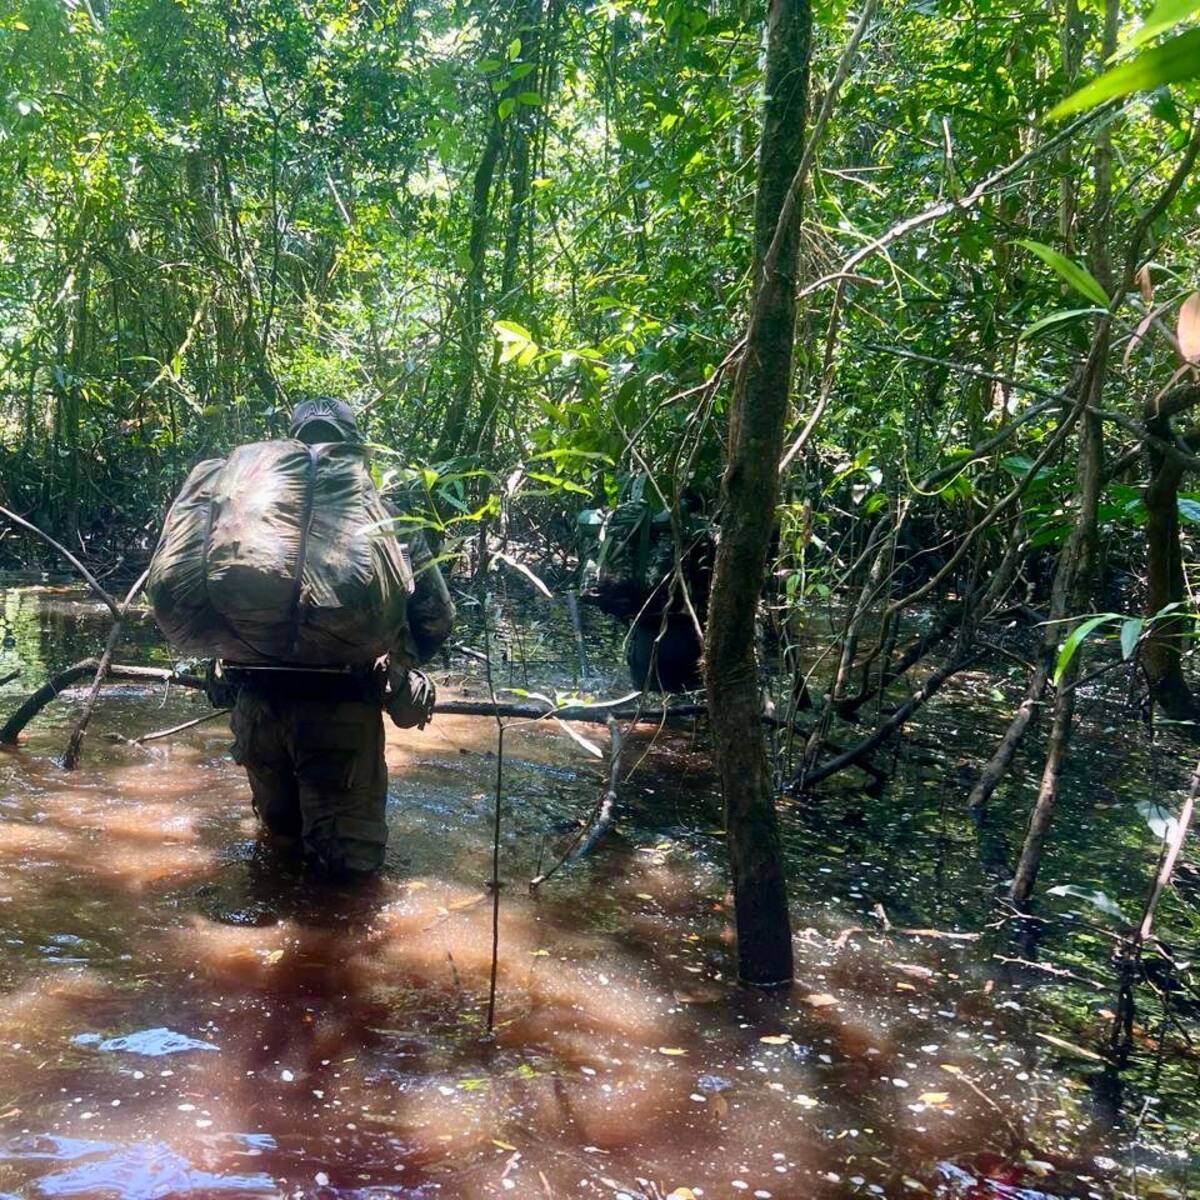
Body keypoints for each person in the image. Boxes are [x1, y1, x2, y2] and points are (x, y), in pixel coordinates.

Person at [210, 397, 455, 881]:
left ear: (291, 449)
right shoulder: (388, 520)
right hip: (341, 710)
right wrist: (397, 663)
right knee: (349, 877)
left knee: (278, 849)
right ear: (355, 450)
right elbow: (436, 617)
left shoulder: (250, 519)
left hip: (256, 710)